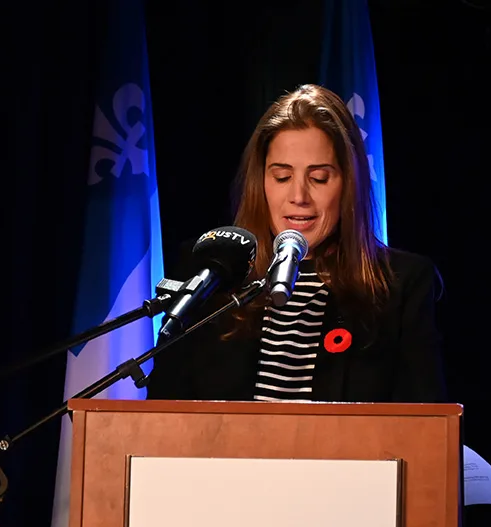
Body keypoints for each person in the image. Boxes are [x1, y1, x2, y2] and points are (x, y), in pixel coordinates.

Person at [146, 84, 447, 404]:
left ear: (348, 184)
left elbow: (424, 422)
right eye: (282, 177)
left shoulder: (402, 283)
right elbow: (162, 414)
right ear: (261, 182)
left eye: (318, 178)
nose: (299, 196)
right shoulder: (209, 271)